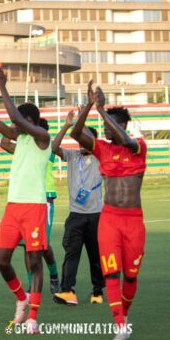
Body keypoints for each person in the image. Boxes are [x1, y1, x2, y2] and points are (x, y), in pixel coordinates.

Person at [70, 81, 146, 340]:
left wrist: (102, 111)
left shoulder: (138, 146)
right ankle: (120, 324)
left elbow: (125, 139)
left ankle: (124, 314)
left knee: (131, 276)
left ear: (122, 125)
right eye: (102, 125)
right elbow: (76, 134)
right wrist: (90, 106)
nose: (103, 129)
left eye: (108, 125)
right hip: (110, 220)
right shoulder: (101, 148)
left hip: (134, 221)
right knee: (111, 273)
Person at [0, 67, 51, 334]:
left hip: (34, 207)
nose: (13, 124)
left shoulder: (42, 138)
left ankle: (33, 316)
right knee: (1, 261)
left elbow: (12, 115)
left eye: (19, 121)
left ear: (29, 121)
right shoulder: (20, 138)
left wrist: (2, 85)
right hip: (13, 207)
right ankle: (21, 298)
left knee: (34, 263)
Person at [0, 118, 59, 296]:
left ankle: (54, 276)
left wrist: (66, 125)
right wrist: (12, 126)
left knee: (44, 246)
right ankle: (30, 284)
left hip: (44, 200)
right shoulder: (24, 148)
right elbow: (4, 143)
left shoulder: (45, 147)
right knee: (28, 248)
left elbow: (55, 144)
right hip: (24, 202)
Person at [52, 109, 105, 306]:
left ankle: (97, 291)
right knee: (71, 253)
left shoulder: (101, 156)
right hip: (76, 215)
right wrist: (67, 125)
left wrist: (86, 114)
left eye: (86, 138)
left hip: (96, 215)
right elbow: (54, 147)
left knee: (95, 255)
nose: (82, 141)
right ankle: (67, 290)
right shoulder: (73, 156)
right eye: (80, 138)